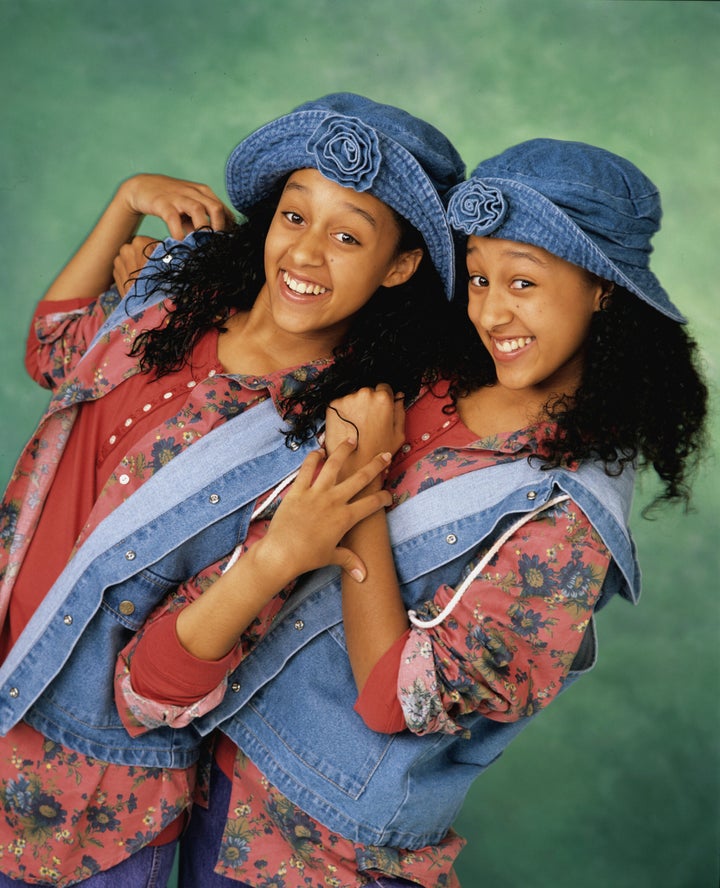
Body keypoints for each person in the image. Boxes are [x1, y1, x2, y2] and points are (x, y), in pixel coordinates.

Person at [117, 138, 708, 887]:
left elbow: (394, 700)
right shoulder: (431, 374)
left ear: (605, 291)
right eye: (480, 278)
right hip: (212, 777)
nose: (492, 311)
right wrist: (167, 285)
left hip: (324, 848)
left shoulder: (569, 520)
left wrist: (360, 482)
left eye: (523, 281)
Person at [0, 93, 465, 886]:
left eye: (347, 236)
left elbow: (154, 690)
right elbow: (53, 350)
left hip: (89, 802)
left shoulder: (327, 442)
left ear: (399, 266)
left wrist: (277, 559)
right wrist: (126, 200)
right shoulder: (171, 299)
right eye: (295, 216)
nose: (306, 253)